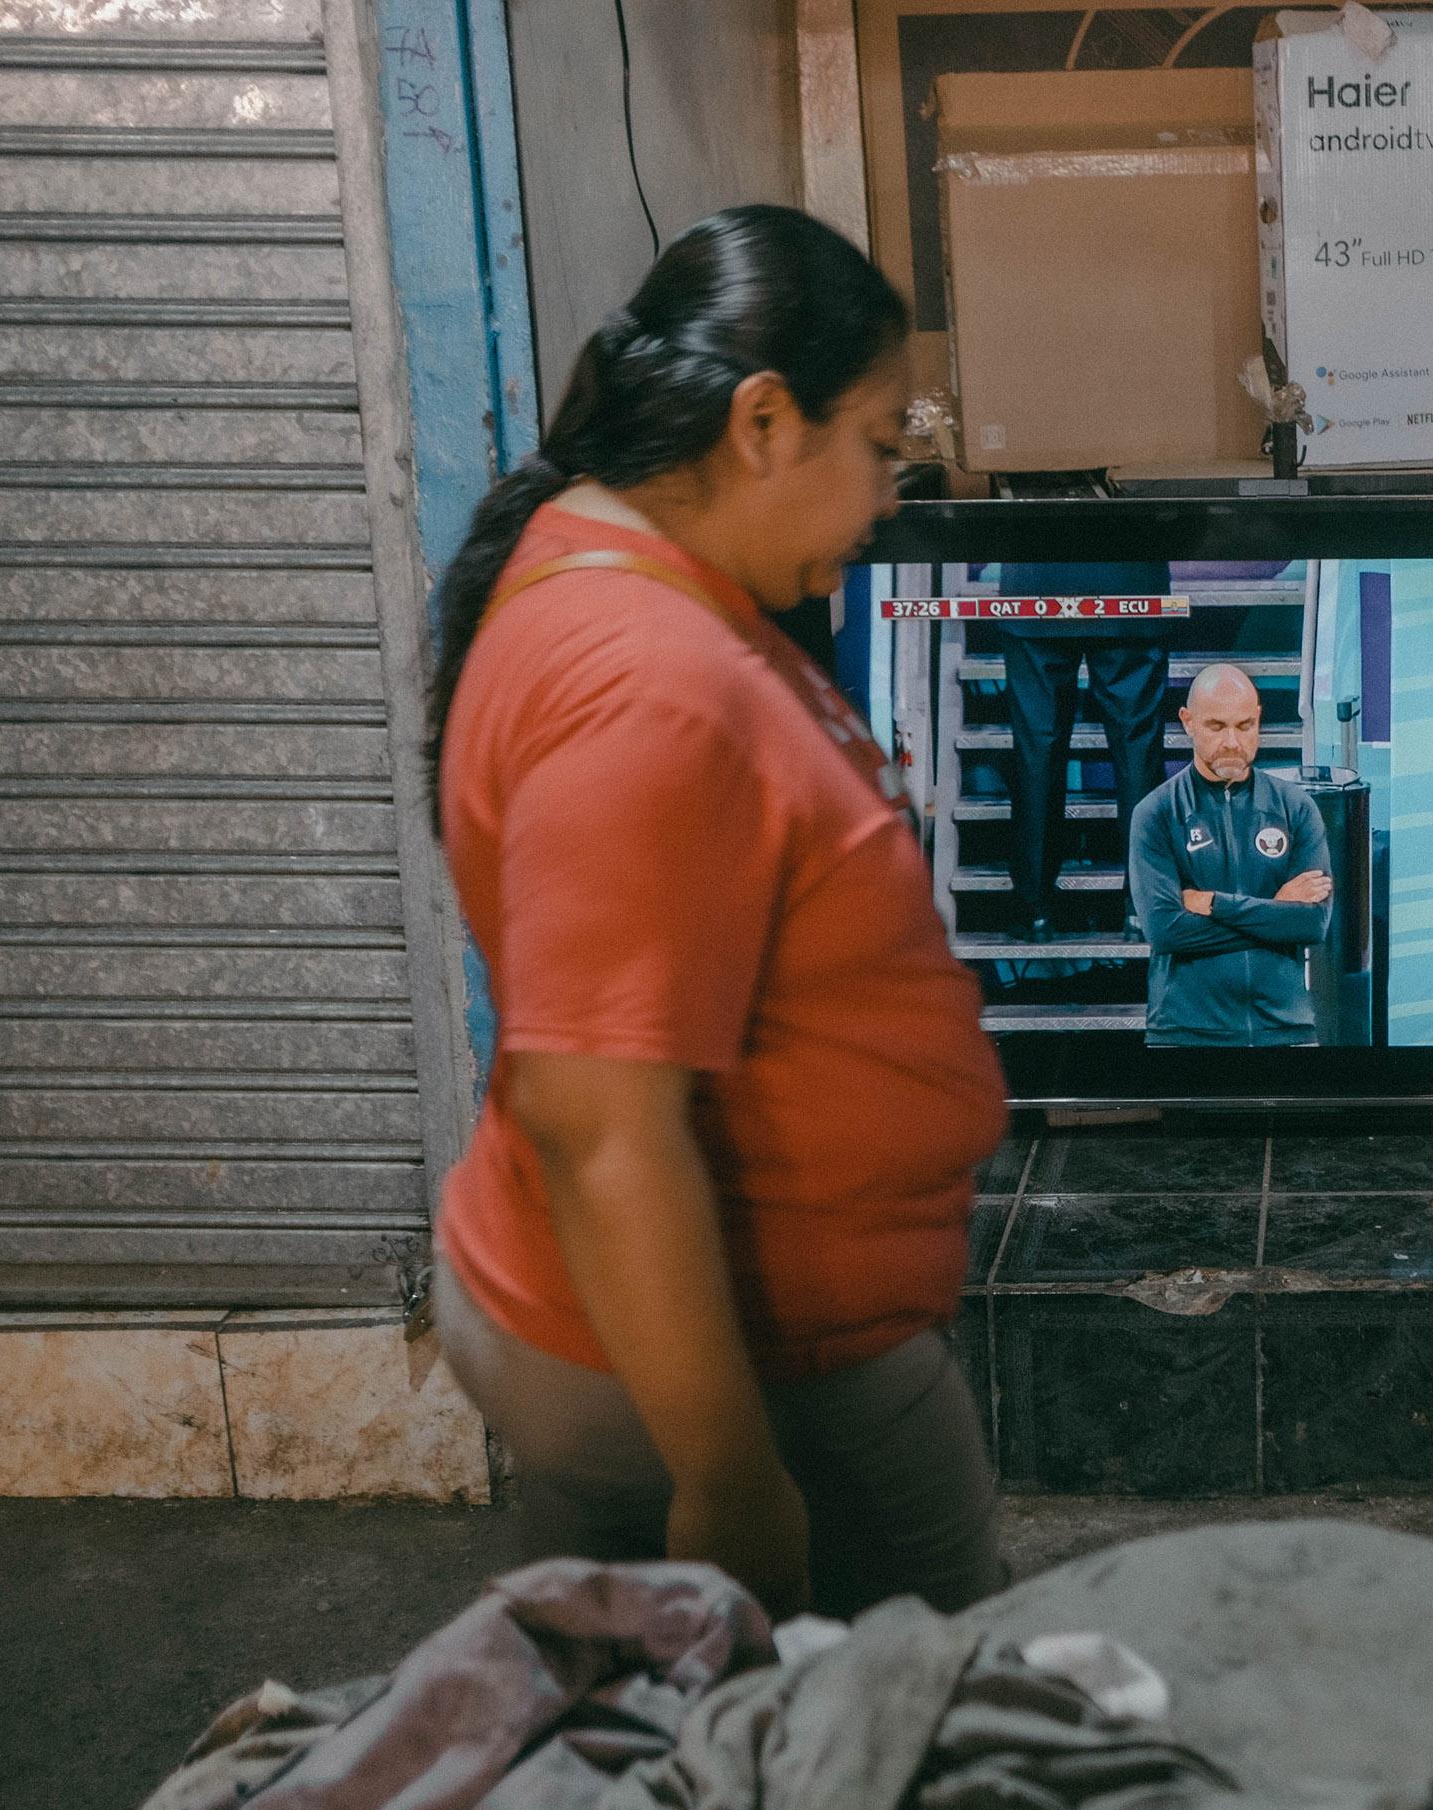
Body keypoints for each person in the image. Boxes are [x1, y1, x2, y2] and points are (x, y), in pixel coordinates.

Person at [423, 206, 1010, 1620]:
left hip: (749, 1331)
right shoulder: (646, 679)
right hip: (752, 1370)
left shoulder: (621, 577)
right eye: (876, 445)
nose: (885, 500)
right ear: (762, 422)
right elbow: (601, 1123)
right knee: (876, 1750)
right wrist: (734, 1481)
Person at [1130, 664, 1333, 1048]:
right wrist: (1276, 908)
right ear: (1188, 723)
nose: (1231, 742)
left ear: (1258, 719)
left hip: (1286, 1030)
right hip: (1185, 1033)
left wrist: (1214, 904)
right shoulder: (1155, 814)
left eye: (1244, 726)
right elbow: (1165, 931)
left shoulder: (1297, 807)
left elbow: (1311, 925)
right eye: (1216, 726)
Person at [991, 561, 1174, 942]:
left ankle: (1034, 909)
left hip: (1035, 584)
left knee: (1037, 750)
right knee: (1137, 750)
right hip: (1130, 583)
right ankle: (1143, 908)